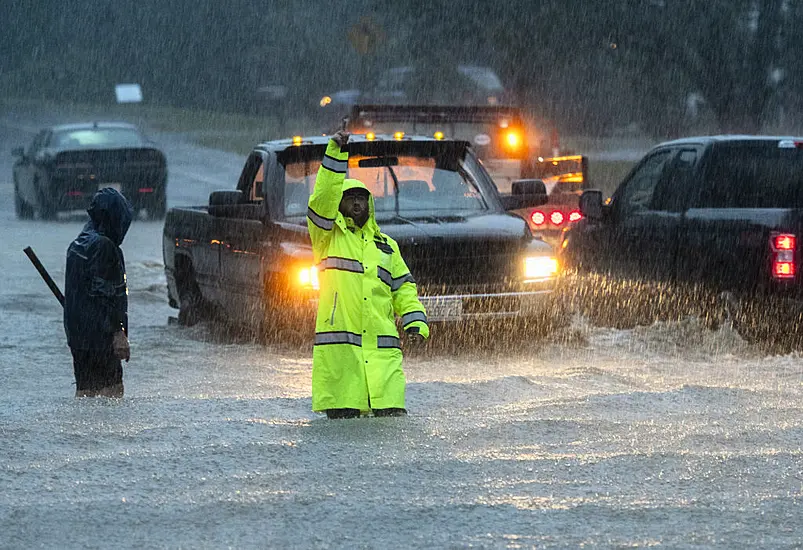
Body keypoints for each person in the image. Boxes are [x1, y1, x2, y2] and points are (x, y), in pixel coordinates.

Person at [307, 129, 429, 419]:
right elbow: (322, 197)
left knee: (391, 440)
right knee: (342, 443)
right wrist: (336, 153)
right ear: (339, 204)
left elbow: (404, 288)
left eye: (362, 197)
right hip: (341, 367)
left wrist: (416, 321)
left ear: (371, 204)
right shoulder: (327, 238)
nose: (357, 203)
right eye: (349, 198)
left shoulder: (387, 247)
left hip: (383, 364)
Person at [64, 187, 133, 397]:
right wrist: (118, 332)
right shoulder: (105, 247)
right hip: (100, 337)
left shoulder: (77, 245)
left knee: (85, 393)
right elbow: (109, 296)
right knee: (112, 395)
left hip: (77, 335)